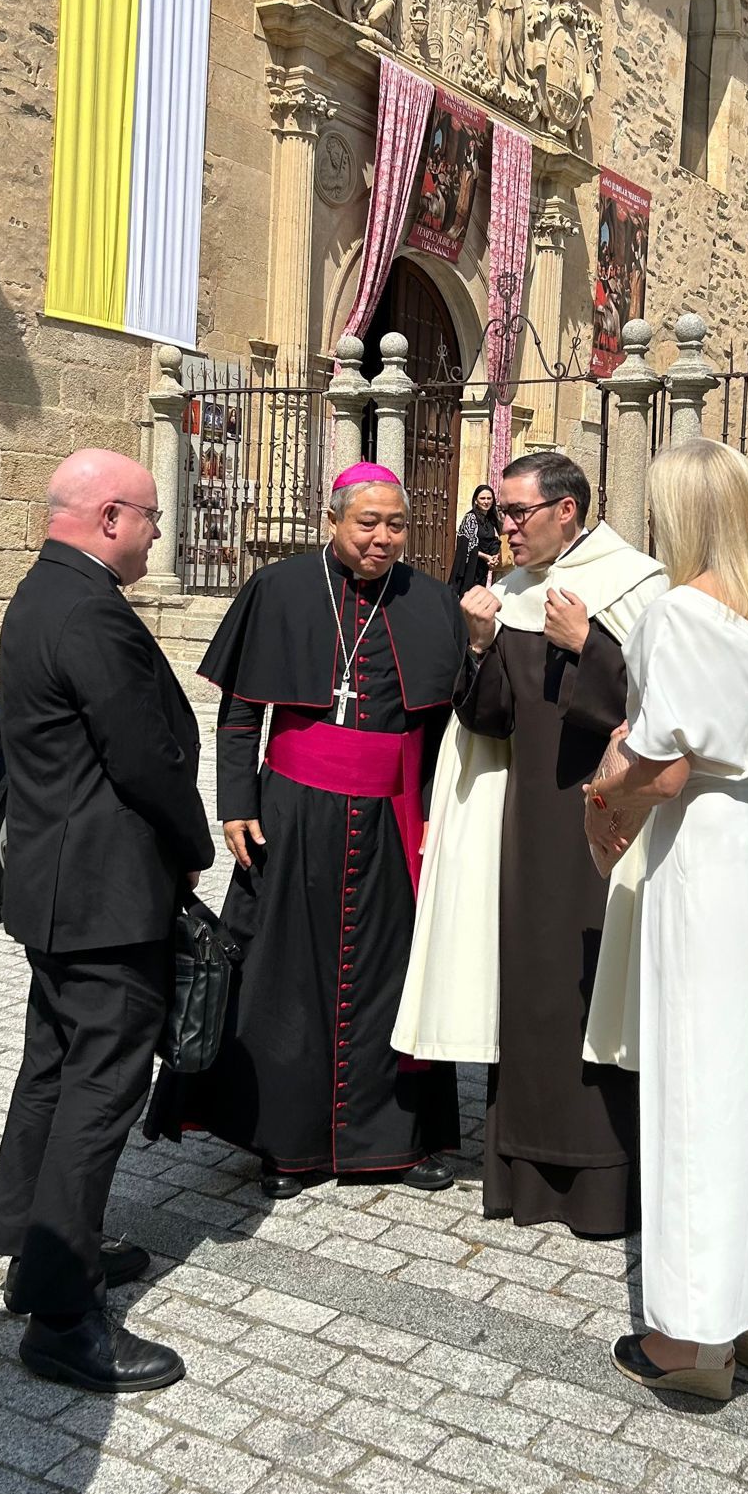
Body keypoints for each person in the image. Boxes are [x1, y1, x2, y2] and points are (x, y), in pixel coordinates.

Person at [586, 440, 748, 1400]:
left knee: (702, 1077)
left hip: (718, 847)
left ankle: (692, 1341)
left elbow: (668, 766)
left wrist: (603, 802)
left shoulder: (678, 612)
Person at [146, 465, 467, 1195]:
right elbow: (238, 715)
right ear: (333, 520)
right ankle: (283, 1144)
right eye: (367, 523)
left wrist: (436, 816)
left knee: (390, 973)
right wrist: (235, 805)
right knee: (282, 979)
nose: (383, 538)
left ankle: (392, 1143)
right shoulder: (280, 588)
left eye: (395, 524)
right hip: (290, 812)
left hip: (391, 814)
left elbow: (448, 725)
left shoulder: (431, 601)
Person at [0, 448, 213, 1395]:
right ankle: (62, 1314)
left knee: (53, 1070)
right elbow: (145, 757)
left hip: (56, 887)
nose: (158, 533)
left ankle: (34, 1253)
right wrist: (196, 846)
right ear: (111, 516)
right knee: (99, 1091)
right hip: (107, 895)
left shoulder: (39, 592)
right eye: (153, 516)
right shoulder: (89, 612)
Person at [395, 452, 666, 1238]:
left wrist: (591, 648)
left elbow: (664, 711)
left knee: (592, 987)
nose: (502, 526)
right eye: (502, 513)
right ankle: (523, 1172)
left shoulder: (635, 586)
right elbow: (489, 722)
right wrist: (478, 646)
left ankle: (605, 1180)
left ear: (568, 511)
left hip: (605, 819)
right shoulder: (509, 593)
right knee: (531, 985)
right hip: (526, 825)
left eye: (517, 513)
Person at [448, 483, 502, 596]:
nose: (486, 501)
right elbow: (467, 546)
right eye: (482, 498)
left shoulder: (492, 520)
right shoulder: (470, 518)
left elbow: (495, 541)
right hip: (470, 568)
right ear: (476, 500)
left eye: (489, 498)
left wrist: (494, 556)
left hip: (483, 568)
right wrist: (486, 557)